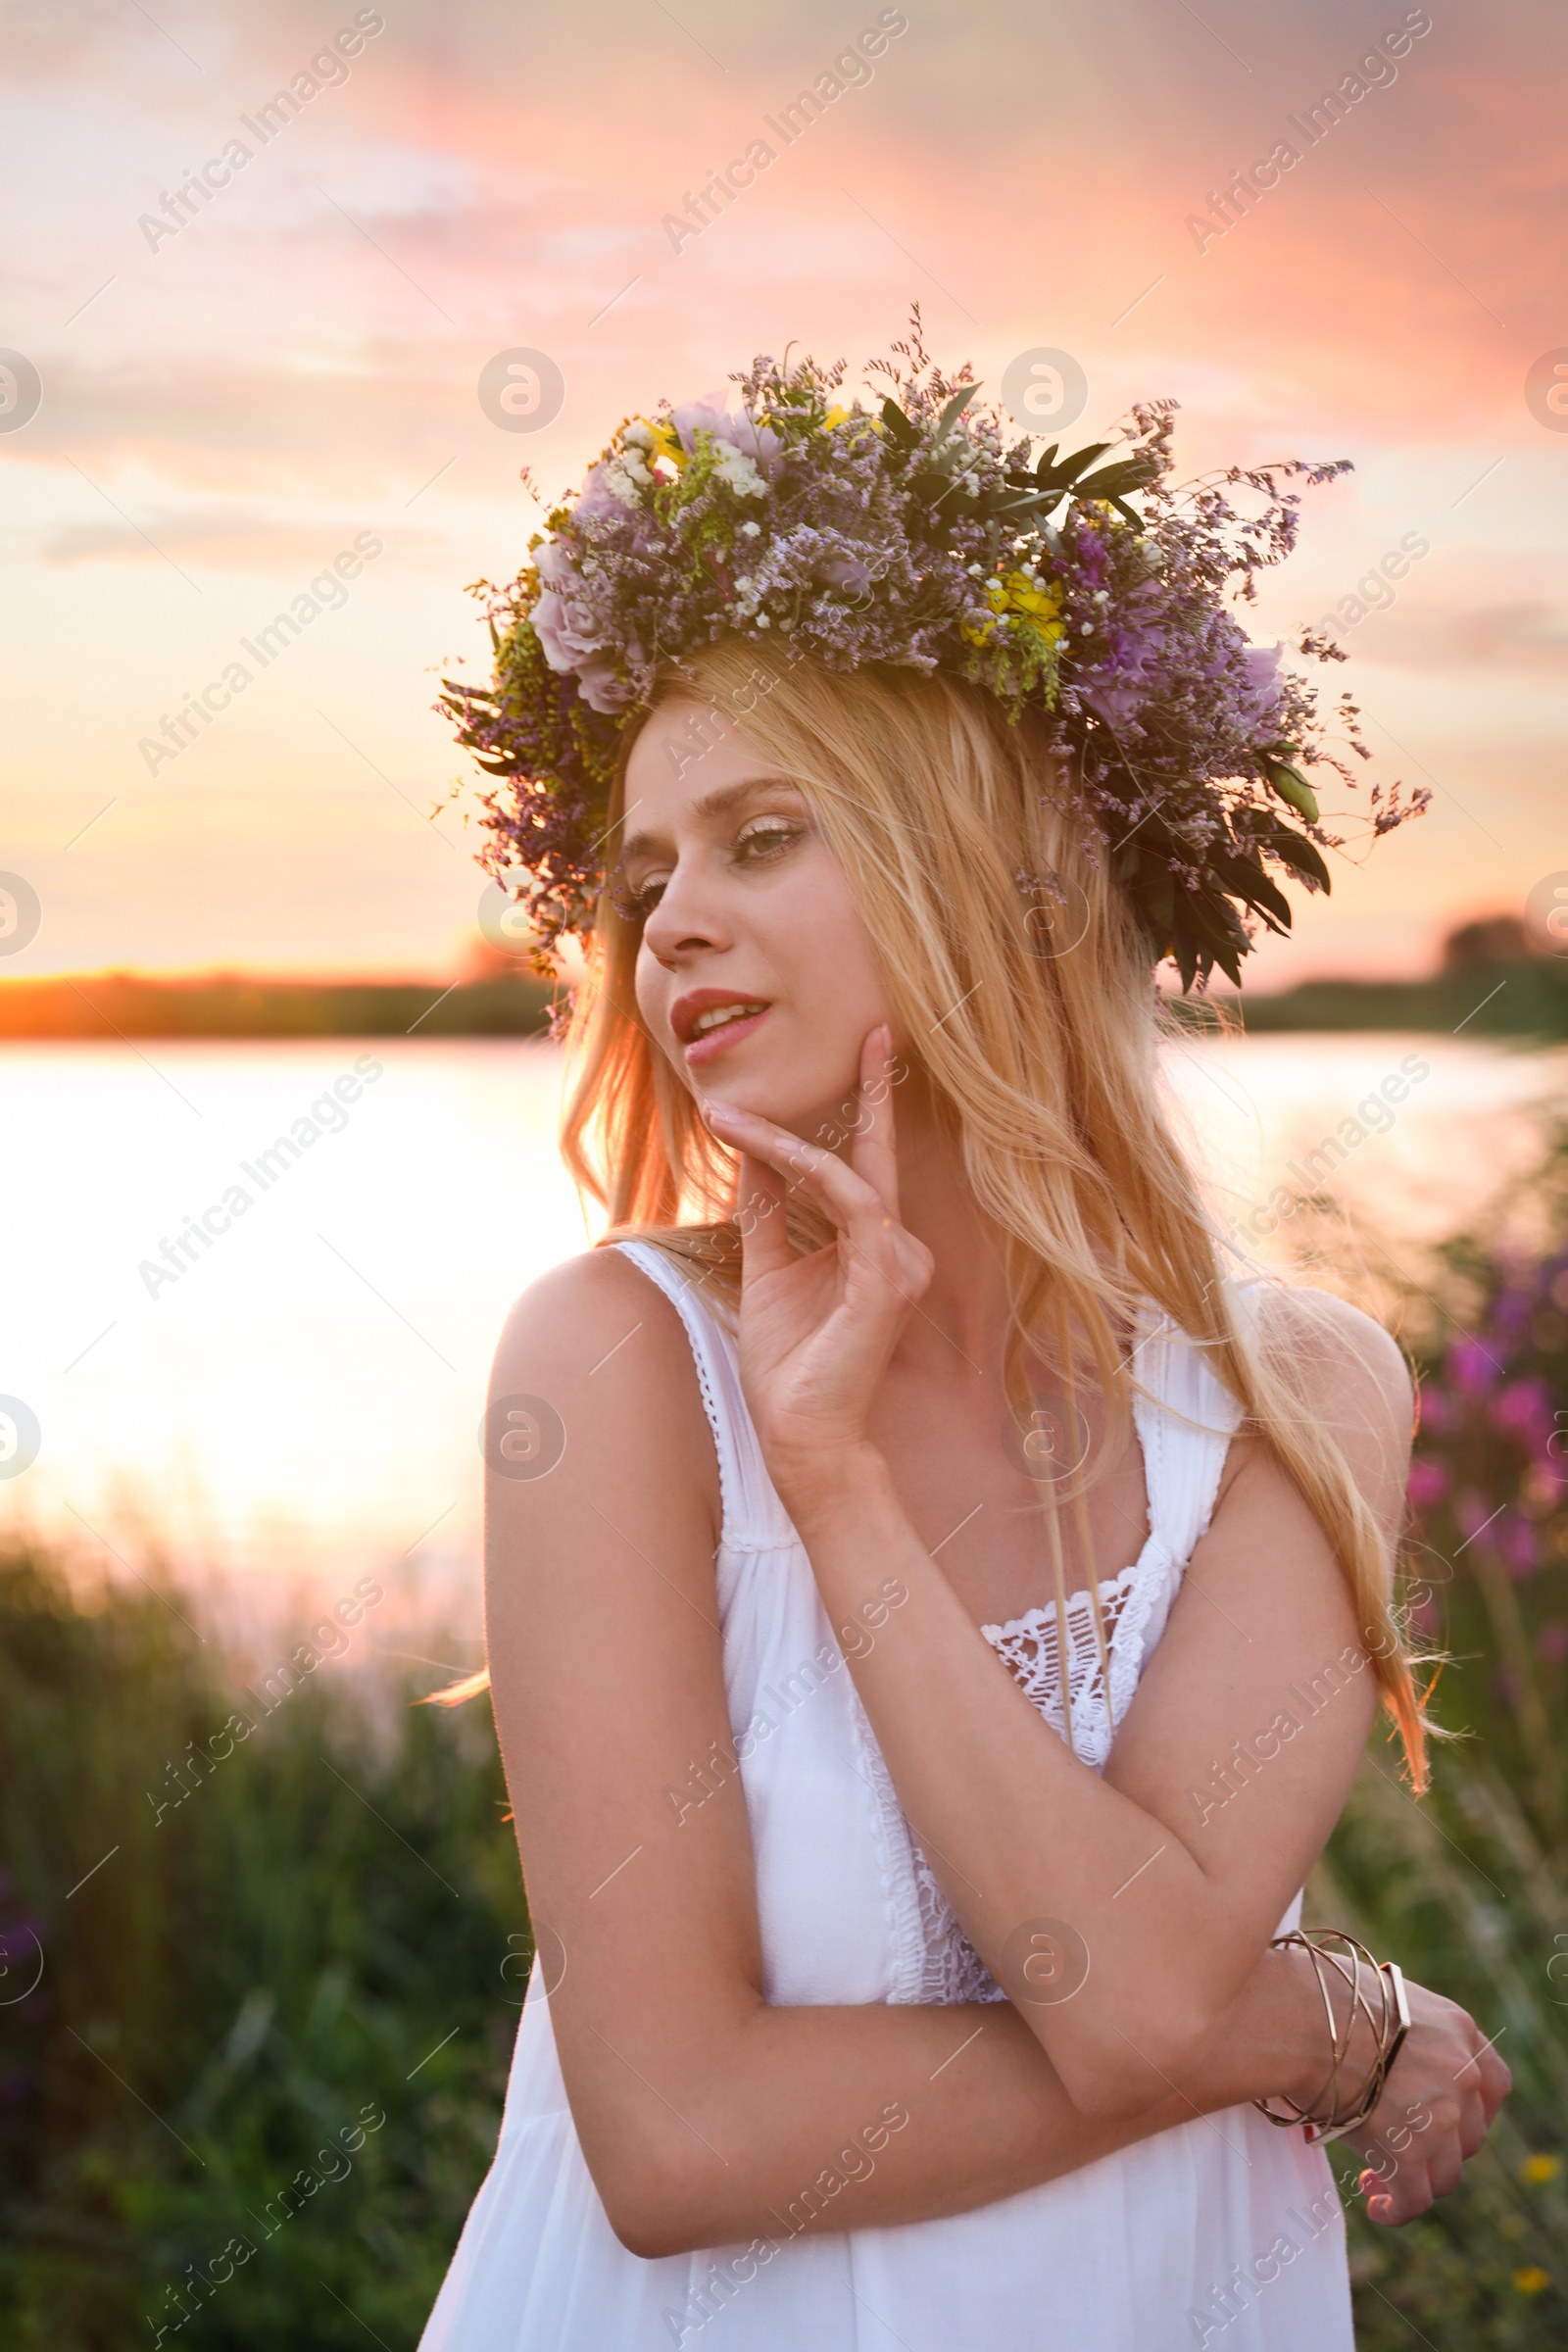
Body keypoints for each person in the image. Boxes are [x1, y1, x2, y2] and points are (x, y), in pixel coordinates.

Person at [419, 335, 1508, 2349]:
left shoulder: (1291, 1396)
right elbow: (673, 2141)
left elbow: (1133, 2005)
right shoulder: (609, 1369)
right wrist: (1318, 2020)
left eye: (760, 838)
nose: (665, 927)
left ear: (994, 878)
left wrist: (838, 1490)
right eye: (644, 877)